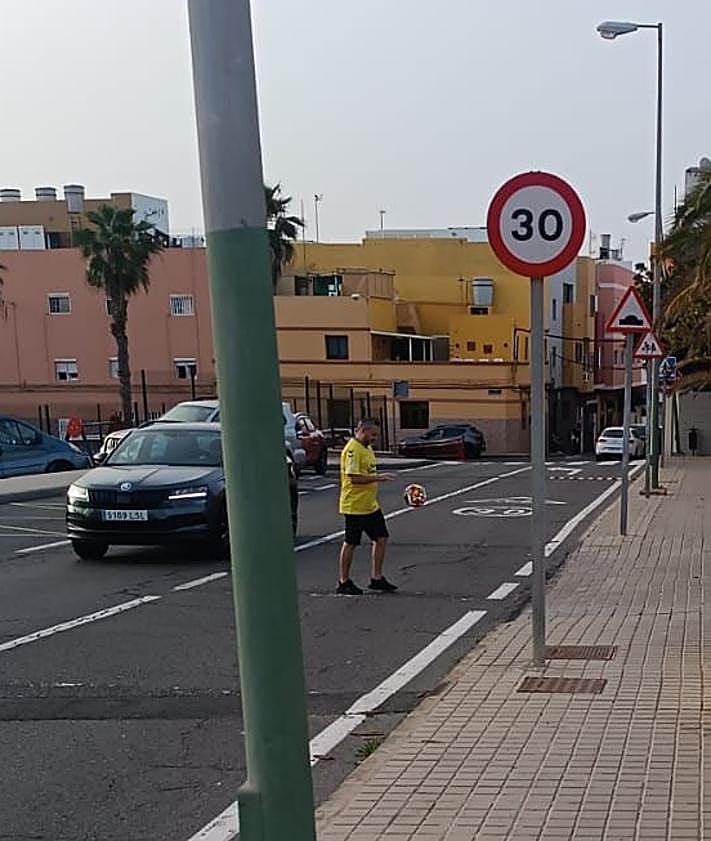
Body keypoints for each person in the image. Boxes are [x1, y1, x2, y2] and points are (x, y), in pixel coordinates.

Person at [336, 418, 397, 595]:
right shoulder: (353, 450)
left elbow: (367, 472)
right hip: (354, 506)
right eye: (373, 434)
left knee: (381, 537)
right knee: (351, 543)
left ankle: (376, 578)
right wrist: (379, 477)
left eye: (377, 434)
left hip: (370, 505)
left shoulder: (367, 449)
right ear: (362, 431)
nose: (375, 438)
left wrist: (376, 477)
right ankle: (343, 581)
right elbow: (353, 477)